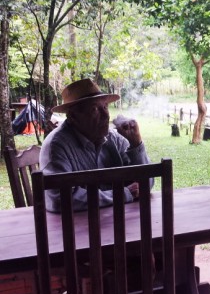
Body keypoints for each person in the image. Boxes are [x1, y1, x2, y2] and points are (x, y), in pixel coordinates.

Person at [40, 78, 150, 212]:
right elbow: (60, 199)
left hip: (117, 223)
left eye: (105, 107)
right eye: (95, 109)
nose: (105, 115)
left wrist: (136, 145)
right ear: (73, 116)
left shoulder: (114, 138)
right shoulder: (57, 145)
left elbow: (145, 185)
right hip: (75, 229)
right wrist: (123, 194)